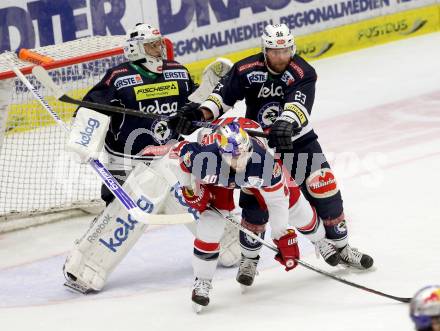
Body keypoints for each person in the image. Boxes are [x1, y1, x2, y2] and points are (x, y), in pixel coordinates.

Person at [171, 23, 373, 270]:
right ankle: (249, 259)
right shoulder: (245, 69)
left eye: (286, 50)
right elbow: (222, 98)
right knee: (255, 203)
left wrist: (286, 123)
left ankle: (342, 247)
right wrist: (200, 113)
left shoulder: (303, 72)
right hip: (257, 146)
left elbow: (298, 105)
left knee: (324, 186)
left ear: (293, 47)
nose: (281, 56)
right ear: (264, 50)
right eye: (275, 51)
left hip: (299, 141)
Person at [62, 23, 235, 293]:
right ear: (135, 49)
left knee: (190, 199)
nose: (159, 50)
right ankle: (85, 265)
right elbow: (92, 107)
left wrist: (210, 96)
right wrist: (83, 138)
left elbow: (189, 110)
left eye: (159, 43)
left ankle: (230, 243)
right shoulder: (118, 78)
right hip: (126, 163)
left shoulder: (177, 71)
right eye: (152, 45)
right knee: (120, 214)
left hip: (169, 160)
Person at [173, 118, 332, 311]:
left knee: (295, 206)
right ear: (222, 153)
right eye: (234, 157)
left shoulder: (263, 162)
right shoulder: (204, 159)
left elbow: (277, 201)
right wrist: (188, 188)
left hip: (254, 174)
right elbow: (182, 157)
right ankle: (202, 281)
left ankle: (321, 241)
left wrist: (282, 234)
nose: (240, 161)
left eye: (244, 154)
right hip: (218, 180)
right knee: (209, 226)